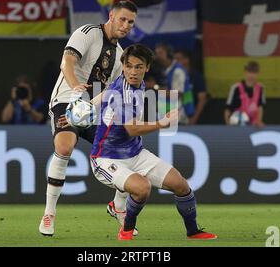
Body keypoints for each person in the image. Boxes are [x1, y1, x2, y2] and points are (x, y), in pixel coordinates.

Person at [89, 44, 217, 240]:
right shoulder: (122, 93)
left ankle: (193, 231)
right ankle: (126, 230)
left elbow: (105, 92)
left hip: (135, 153)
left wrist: (87, 106)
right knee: (142, 188)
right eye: (129, 66)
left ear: (147, 67)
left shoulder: (136, 84)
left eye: (138, 67)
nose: (133, 71)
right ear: (123, 66)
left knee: (181, 185)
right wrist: (162, 122)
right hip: (106, 158)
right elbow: (131, 129)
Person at [40, 0, 138, 237]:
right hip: (67, 100)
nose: (125, 25)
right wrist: (76, 91)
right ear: (111, 16)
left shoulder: (120, 55)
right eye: (122, 19)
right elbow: (67, 62)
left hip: (94, 109)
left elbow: (111, 91)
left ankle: (118, 206)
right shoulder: (87, 33)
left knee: (126, 148)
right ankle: (49, 213)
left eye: (131, 22)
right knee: (64, 146)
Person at [154, 43, 195, 125]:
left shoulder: (178, 71)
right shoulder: (165, 70)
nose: (158, 56)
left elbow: (176, 94)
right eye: (156, 53)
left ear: (169, 54)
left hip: (178, 117)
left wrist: (154, 86)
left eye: (161, 53)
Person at [224, 61, 266, 127]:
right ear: (245, 72)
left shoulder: (260, 88)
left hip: (254, 126)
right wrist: (228, 124)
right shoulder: (235, 88)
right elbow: (227, 108)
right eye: (249, 72)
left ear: (258, 73)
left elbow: (260, 107)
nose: (251, 75)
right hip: (237, 125)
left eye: (254, 72)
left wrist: (259, 121)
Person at [174, 49, 207, 125]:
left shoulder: (196, 76)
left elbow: (202, 99)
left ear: (187, 60)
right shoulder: (172, 76)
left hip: (191, 118)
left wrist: (193, 118)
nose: (175, 62)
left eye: (178, 59)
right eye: (174, 60)